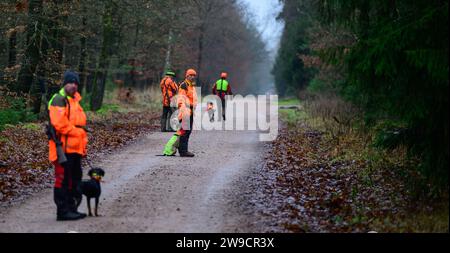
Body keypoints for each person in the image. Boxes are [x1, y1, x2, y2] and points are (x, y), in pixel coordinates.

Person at [48, 70, 88, 221]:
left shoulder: (75, 101)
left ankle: (72, 209)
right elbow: (60, 125)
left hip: (75, 149)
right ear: (65, 84)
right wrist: (78, 133)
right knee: (63, 180)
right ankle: (63, 211)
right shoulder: (59, 99)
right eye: (70, 82)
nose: (73, 86)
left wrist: (82, 143)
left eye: (76, 83)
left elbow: (80, 124)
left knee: (75, 180)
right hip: (62, 150)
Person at [176, 68, 198, 157]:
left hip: (190, 111)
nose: (193, 77)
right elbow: (181, 99)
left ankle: (183, 150)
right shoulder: (184, 85)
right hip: (185, 111)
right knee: (185, 131)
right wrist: (184, 111)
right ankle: (183, 151)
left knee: (187, 131)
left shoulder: (191, 86)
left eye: (194, 75)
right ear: (187, 76)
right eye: (191, 75)